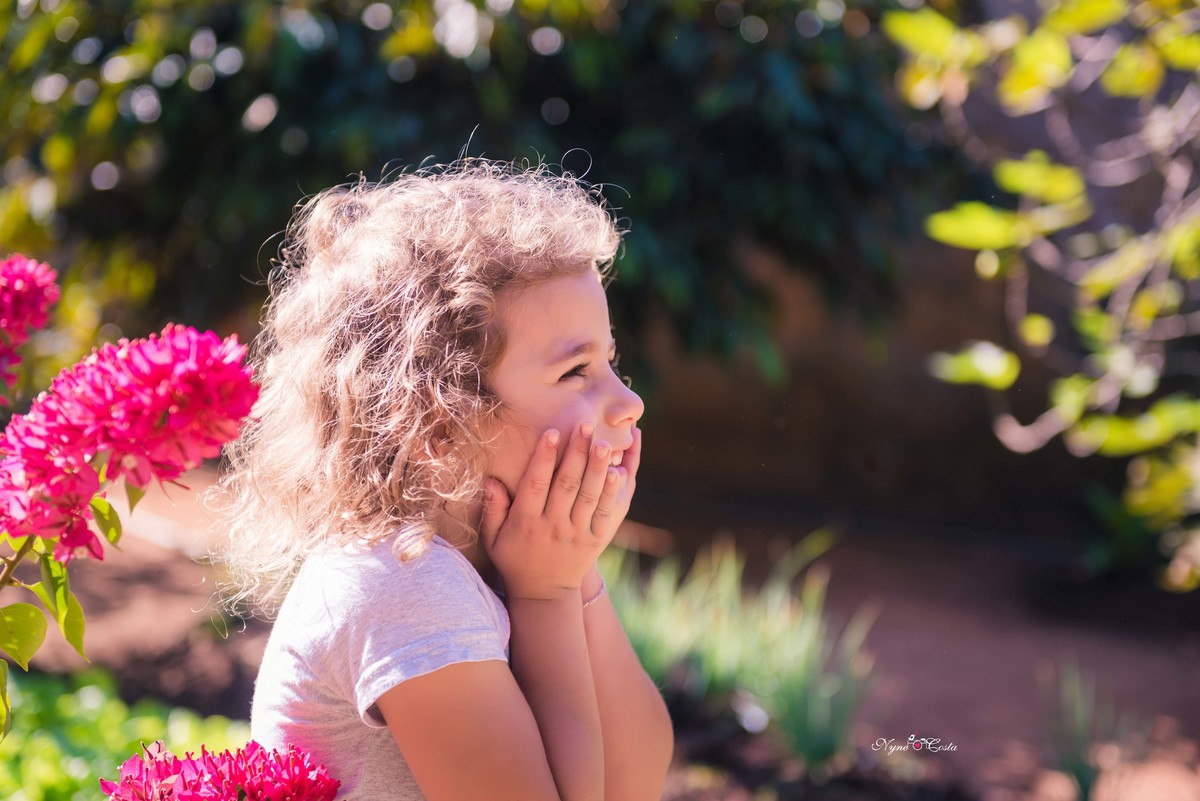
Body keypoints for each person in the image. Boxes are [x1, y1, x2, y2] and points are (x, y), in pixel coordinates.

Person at [213, 160, 674, 801]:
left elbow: (637, 779)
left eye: (611, 361)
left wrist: (574, 579)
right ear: (442, 422)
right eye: (576, 372)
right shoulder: (403, 581)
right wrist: (546, 595)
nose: (629, 401)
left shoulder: (500, 554)